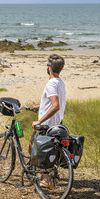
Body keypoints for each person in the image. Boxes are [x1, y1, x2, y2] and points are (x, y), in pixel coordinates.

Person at [29, 54, 66, 187]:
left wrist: (39, 121)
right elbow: (55, 102)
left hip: (47, 125)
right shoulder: (60, 82)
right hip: (57, 124)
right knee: (48, 149)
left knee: (35, 148)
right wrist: (40, 107)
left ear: (49, 68)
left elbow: (56, 105)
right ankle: (48, 174)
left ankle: (45, 179)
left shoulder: (51, 84)